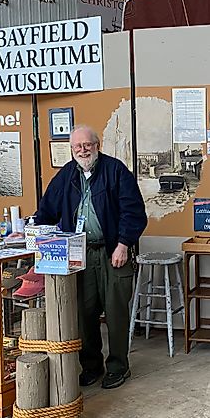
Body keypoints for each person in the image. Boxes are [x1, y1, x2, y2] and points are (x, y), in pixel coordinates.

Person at [33, 125, 147, 389]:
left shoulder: (115, 170)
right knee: (84, 313)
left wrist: (123, 244)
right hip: (78, 254)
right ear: (72, 150)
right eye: (77, 147)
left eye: (87, 145)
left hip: (111, 253)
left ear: (97, 145)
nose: (82, 150)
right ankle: (91, 366)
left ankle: (119, 366)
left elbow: (134, 212)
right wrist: (32, 230)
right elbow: (47, 209)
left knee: (116, 313)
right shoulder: (66, 176)